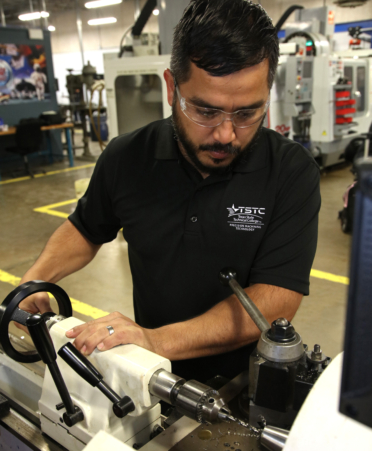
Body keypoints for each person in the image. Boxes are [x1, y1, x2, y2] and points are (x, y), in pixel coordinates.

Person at [19, 0, 320, 383]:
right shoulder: (126, 158)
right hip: (147, 374)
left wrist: (154, 340)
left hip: (245, 384)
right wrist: (36, 278)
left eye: (246, 113)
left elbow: (274, 300)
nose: (226, 134)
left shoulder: (292, 174)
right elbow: (85, 228)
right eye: (206, 112)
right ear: (170, 87)